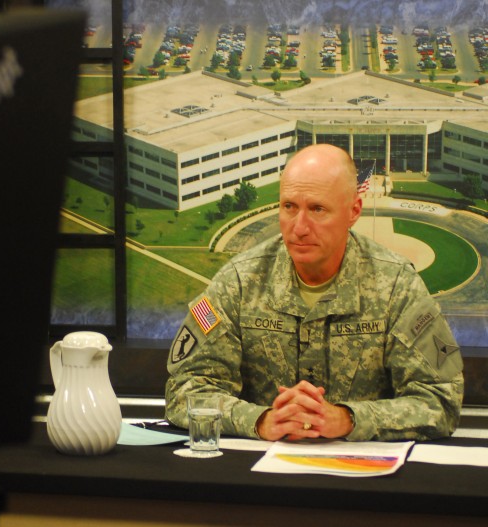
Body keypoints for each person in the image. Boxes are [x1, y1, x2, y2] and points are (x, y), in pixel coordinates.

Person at [165, 144, 464, 442]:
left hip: (360, 475)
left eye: (317, 209)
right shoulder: (239, 281)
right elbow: (185, 390)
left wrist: (349, 419)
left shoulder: (397, 284)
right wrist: (261, 420)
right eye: (289, 207)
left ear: (354, 211)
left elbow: (440, 399)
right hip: (263, 474)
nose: (299, 227)